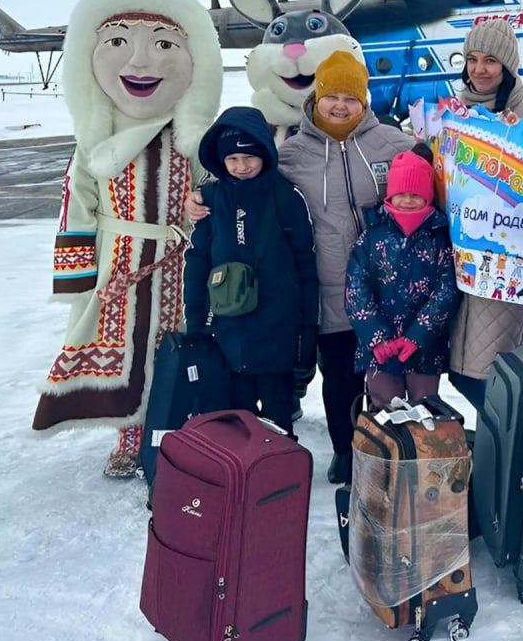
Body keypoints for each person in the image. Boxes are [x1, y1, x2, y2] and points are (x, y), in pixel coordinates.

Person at [185, 51, 414, 484]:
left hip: (388, 287)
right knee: (342, 379)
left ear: (364, 101)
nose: (341, 105)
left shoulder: (393, 144)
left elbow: (431, 178)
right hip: (331, 287)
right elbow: (245, 178)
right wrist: (203, 196)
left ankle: (391, 454)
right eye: (332, 96)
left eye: (351, 97)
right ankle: (347, 452)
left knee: (388, 379)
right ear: (317, 98)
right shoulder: (292, 153)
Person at [32, 0, 222, 478]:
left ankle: (180, 430)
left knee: (178, 345)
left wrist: (201, 202)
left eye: (164, 46)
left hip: (181, 262)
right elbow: (77, 207)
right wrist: (78, 279)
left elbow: (217, 186)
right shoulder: (97, 140)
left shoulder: (191, 137)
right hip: (120, 261)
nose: (142, 64)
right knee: (128, 352)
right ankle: (130, 434)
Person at [182, 106, 317, 433]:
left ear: (265, 153)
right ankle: (241, 480)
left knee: (277, 420)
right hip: (227, 336)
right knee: (233, 421)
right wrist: (196, 323)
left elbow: (306, 266)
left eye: (249, 157)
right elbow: (197, 263)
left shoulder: (286, 198)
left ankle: (279, 476)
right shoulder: (211, 200)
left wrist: (307, 332)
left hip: (277, 335)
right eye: (232, 160)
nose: (241, 166)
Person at [446, 19, 523, 411]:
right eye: (472, 59)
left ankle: (509, 457)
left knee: (492, 374)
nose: (479, 69)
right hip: (455, 266)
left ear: (508, 66)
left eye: (490, 60)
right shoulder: (453, 117)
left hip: (505, 272)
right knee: (458, 370)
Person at [345, 144, 458, 410]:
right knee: (384, 407)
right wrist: (376, 337)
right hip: (380, 351)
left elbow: (447, 290)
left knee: (425, 408)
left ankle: (423, 452)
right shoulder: (371, 238)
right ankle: (383, 452)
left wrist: (418, 335)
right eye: (401, 194)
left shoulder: (439, 238)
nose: (407, 201)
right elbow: (356, 291)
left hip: (423, 348)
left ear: (428, 197)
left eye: (415, 195)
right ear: (390, 195)